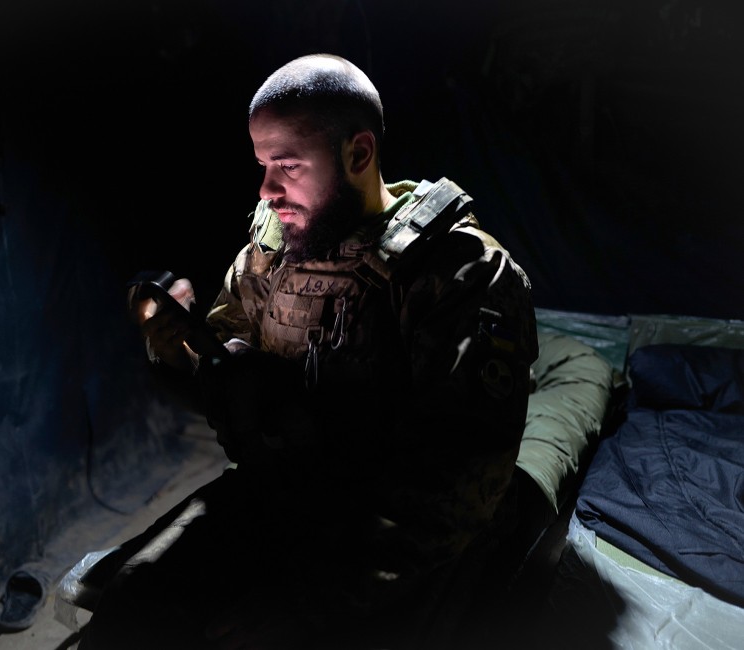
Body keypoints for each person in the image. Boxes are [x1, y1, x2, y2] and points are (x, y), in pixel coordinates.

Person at [77, 53, 538, 649]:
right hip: (281, 496)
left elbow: (455, 484)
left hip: (401, 537)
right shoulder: (271, 252)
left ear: (359, 155)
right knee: (130, 606)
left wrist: (313, 604)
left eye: (288, 166)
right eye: (263, 164)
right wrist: (180, 344)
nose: (268, 191)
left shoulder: (458, 272)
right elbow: (226, 365)